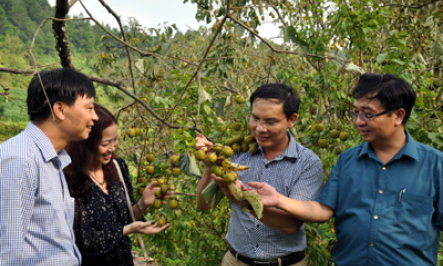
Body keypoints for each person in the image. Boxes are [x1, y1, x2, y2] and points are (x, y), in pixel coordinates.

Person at [249, 73, 443, 266]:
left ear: (398, 115)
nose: (358, 121)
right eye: (356, 112)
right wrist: (279, 200)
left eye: (368, 114)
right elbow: (323, 210)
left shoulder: (435, 165)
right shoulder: (348, 160)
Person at [195, 83, 323, 266]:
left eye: (270, 121)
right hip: (235, 261)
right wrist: (209, 167)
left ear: (291, 119)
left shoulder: (307, 163)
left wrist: (242, 200)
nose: (260, 128)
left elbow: (290, 225)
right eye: (255, 118)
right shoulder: (238, 153)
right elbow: (204, 203)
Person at [0, 67, 98, 265]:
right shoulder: (20, 160)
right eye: (89, 108)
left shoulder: (53, 160)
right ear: (60, 110)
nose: (95, 116)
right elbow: (7, 252)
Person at [64, 104, 171, 266]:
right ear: (86, 142)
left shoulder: (118, 167)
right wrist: (127, 230)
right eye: (105, 143)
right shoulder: (71, 179)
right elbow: (84, 241)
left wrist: (142, 204)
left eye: (115, 140)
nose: (112, 149)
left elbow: (126, 218)